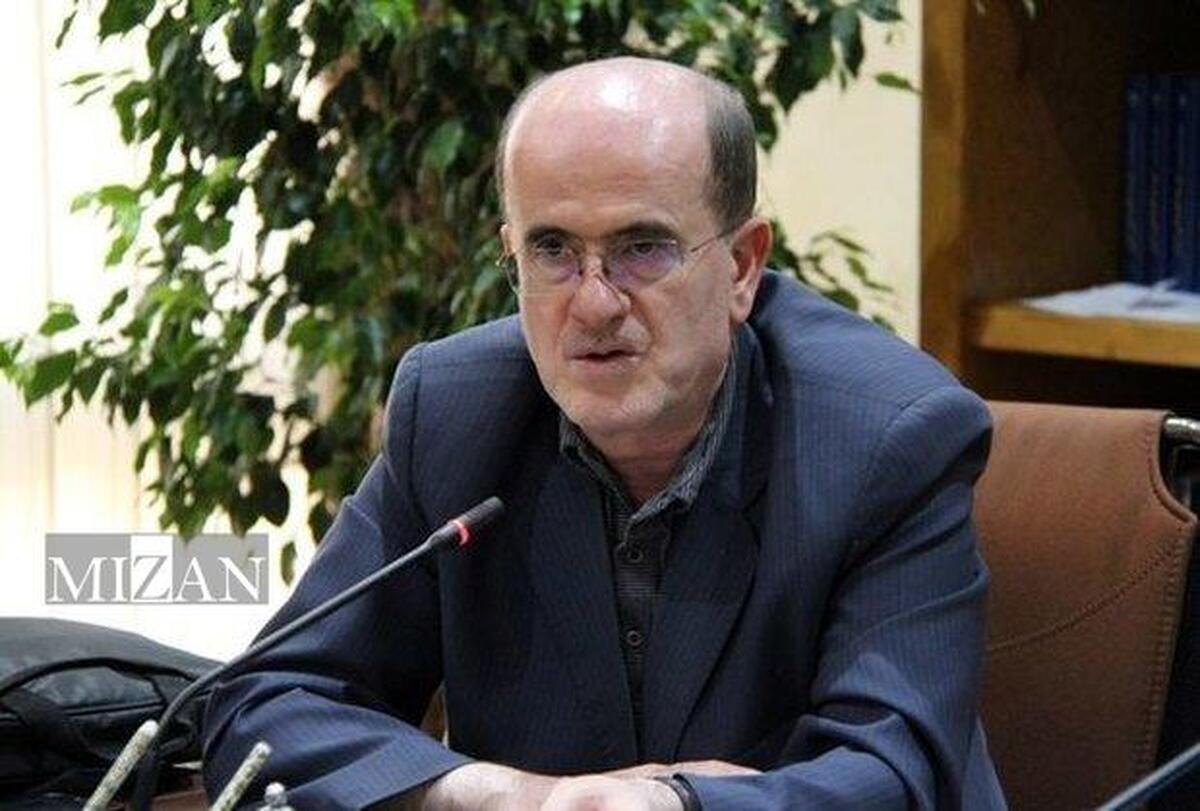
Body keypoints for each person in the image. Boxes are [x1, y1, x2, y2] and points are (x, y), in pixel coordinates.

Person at [202, 57, 1006, 810]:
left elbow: (897, 773)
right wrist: (506, 794)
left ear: (741, 265)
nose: (593, 304)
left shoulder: (886, 438)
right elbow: (269, 700)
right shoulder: (455, 414)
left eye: (641, 248)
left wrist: (672, 802)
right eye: (552, 249)